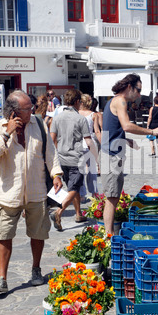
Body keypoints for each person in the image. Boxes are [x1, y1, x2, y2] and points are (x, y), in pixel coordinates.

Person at [0, 91, 63, 293]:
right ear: (15, 111)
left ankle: (36, 269)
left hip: (36, 191)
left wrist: (56, 174)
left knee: (38, 234)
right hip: (10, 193)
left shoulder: (39, 125)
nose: (32, 110)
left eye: (32, 107)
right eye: (28, 108)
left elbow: (50, 153)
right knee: (5, 234)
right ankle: (2, 278)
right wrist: (6, 133)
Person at [101, 73, 158, 234]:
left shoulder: (114, 101)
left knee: (113, 196)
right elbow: (127, 126)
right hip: (111, 156)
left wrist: (125, 141)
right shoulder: (120, 101)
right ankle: (109, 236)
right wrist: (151, 130)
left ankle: (110, 235)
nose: (139, 95)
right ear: (129, 87)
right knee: (112, 198)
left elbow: (111, 128)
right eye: (138, 90)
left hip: (111, 153)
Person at [50, 89, 98, 231]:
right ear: (77, 102)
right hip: (76, 158)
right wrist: (96, 158)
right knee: (75, 187)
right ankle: (59, 212)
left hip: (61, 158)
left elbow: (52, 139)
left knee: (72, 187)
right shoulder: (80, 119)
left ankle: (78, 214)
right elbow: (88, 141)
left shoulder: (57, 118)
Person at [78, 93, 99, 201]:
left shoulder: (76, 114)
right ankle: (94, 192)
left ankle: (82, 194)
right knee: (92, 170)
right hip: (90, 143)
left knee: (80, 170)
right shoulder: (93, 115)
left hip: (78, 144)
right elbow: (97, 131)